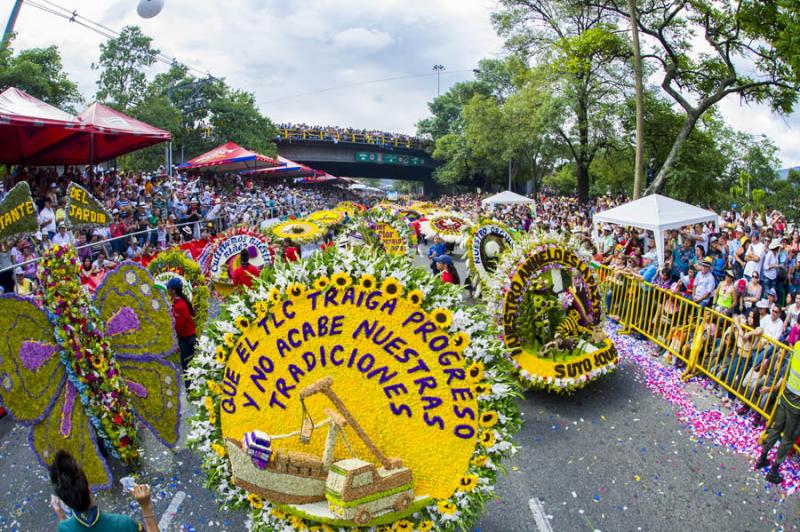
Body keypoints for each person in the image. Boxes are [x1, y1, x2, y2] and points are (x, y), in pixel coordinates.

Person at [49, 449, 158, 531]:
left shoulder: (63, 527)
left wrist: (60, 514)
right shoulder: (123, 524)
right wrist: (146, 506)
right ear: (89, 488)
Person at [754, 341, 800, 484]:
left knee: (776, 428)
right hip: (796, 404)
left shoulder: (798, 345)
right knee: (788, 438)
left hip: (786, 396)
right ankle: (774, 470)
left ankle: (762, 457)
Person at [167, 277, 196, 381]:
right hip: (186, 338)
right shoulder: (178, 302)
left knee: (187, 369)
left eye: (168, 289)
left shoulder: (180, 306)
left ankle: (190, 392)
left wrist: (175, 342)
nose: (167, 291)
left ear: (173, 290)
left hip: (187, 340)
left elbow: (178, 327)